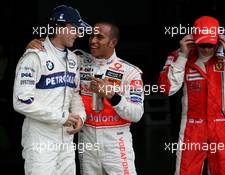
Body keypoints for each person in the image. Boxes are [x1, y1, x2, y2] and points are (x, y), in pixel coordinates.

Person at [26, 22, 144, 175]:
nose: (92, 40)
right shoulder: (76, 61)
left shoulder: (130, 72)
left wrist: (112, 95)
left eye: (99, 37)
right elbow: (54, 54)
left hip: (116, 143)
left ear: (113, 42)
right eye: (91, 36)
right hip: (86, 142)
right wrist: (36, 45)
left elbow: (136, 114)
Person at [158, 16, 225, 175]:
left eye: (210, 45)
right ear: (193, 39)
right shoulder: (179, 55)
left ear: (218, 39)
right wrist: (183, 57)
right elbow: (166, 89)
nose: (206, 49)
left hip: (222, 129)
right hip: (192, 128)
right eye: (202, 44)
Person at [13, 5, 89, 175]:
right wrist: (61, 117)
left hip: (66, 140)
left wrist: (80, 117)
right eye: (75, 28)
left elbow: (74, 94)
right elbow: (20, 102)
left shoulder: (73, 59)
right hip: (40, 141)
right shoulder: (34, 56)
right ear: (62, 27)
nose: (78, 34)